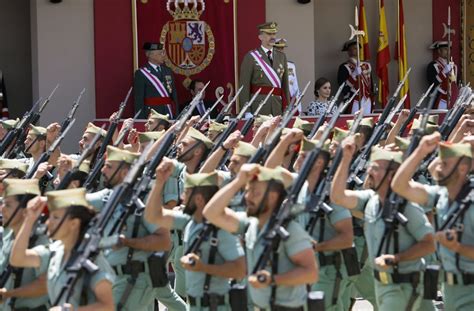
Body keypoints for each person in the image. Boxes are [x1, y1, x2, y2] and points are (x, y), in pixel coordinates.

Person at [330, 138, 436, 310]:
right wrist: (345, 159)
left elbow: (429, 243)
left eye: (376, 168)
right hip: (386, 283)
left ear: (392, 175)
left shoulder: (406, 206)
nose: (369, 170)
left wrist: (397, 258)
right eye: (371, 166)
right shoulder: (371, 201)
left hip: (405, 285)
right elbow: (338, 197)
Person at [203, 164, 318, 310]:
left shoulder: (289, 230)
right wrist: (238, 181)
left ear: (272, 197)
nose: (248, 198)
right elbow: (211, 213)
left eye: (255, 193)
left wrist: (273, 280)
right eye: (247, 191)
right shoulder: (251, 224)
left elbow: (310, 273)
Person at [86, 146, 186, 311]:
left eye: (109, 166)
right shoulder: (108, 196)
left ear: (124, 173)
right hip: (113, 278)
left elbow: (164, 240)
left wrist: (127, 242)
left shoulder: (139, 204)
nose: (103, 170)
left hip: (133, 281)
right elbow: (77, 202)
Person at [391, 134, 474, 310]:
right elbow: (399, 185)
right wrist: (420, 151)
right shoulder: (440, 196)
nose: (438, 168)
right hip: (450, 290)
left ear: (463, 169)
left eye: (445, 164)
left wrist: (457, 247)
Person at [145, 167, 246, 310]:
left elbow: (240, 269)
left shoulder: (220, 230)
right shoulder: (189, 221)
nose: (182, 198)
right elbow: (152, 215)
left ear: (198, 199)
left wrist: (203, 267)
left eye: (186, 193)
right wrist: (159, 183)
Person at [10, 188, 115, 310]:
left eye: (55, 217)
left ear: (74, 224)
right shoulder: (56, 251)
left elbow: (108, 306)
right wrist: (29, 219)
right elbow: (18, 259)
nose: (48, 222)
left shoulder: (91, 258)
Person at [0, 179, 49, 310]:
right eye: (3, 203)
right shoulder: (8, 234)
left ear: (25, 210)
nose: (2, 209)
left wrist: (10, 294)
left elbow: (45, 285)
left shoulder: (41, 239)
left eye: (8, 205)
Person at [240, 22, 290, 116]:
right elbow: (244, 87)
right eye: (268, 34)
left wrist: (287, 108)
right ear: (260, 37)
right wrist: (246, 111)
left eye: (274, 34)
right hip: (259, 107)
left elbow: (285, 86)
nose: (272, 36)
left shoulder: (281, 57)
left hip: (277, 106)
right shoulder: (251, 57)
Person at [134, 42, 178, 119]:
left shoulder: (168, 71)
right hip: (152, 116)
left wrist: (176, 115)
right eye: (160, 53)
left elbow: (174, 96)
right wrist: (141, 121)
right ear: (150, 55)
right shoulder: (141, 73)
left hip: (168, 113)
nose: (163, 55)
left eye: (163, 53)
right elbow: (139, 101)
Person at [337, 39, 373, 114]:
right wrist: (354, 75)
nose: (355, 49)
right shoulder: (344, 67)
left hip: (367, 99)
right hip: (353, 99)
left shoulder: (366, 66)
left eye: (357, 47)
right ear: (348, 51)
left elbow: (371, 84)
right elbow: (343, 87)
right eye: (353, 48)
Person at [426, 41, 458, 109]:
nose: (448, 51)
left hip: (452, 98)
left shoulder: (453, 66)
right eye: (445, 49)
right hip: (439, 98)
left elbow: (454, 83)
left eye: (449, 49)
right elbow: (433, 83)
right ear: (439, 51)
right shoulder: (432, 65)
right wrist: (443, 72)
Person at [274, 38, 301, 111]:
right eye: (278, 48)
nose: (281, 50)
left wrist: (298, 106)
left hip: (290, 102)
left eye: (282, 48)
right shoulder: (270, 65)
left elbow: (295, 86)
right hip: (277, 101)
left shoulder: (291, 65)